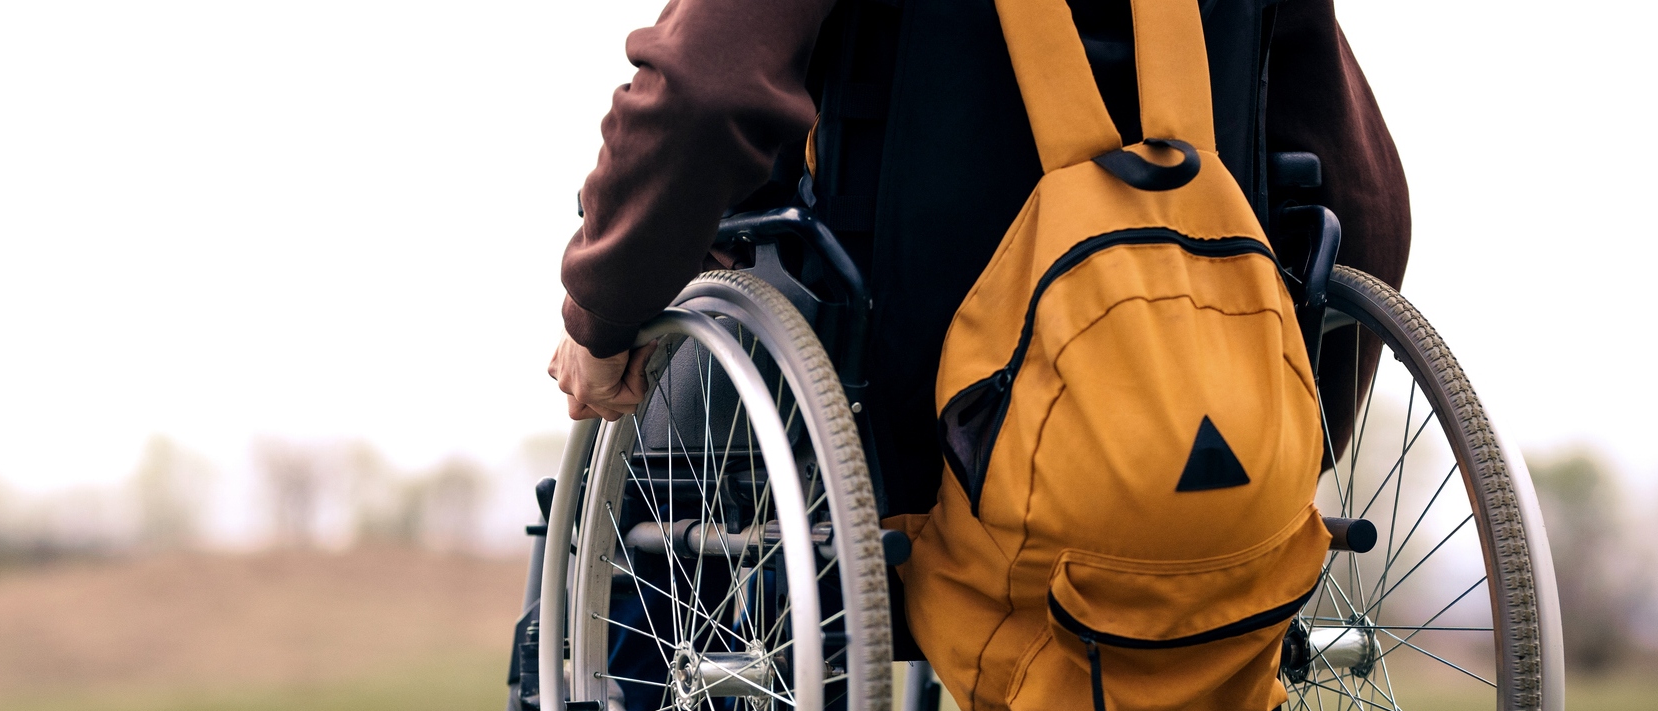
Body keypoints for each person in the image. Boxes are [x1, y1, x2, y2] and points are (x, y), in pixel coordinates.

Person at [548, 0, 1408, 524]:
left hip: (900, 430)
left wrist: (604, 314)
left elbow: (703, 95)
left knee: (664, 449)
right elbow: (1359, 201)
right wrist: (1296, 436)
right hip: (1189, 409)